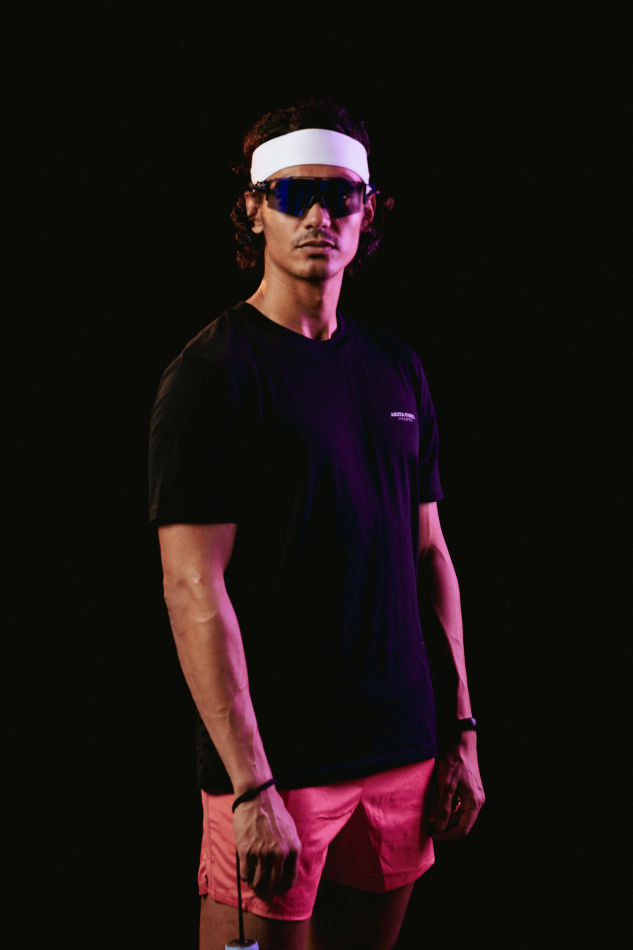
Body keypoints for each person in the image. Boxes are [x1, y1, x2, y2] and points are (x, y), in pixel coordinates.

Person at [148, 99, 485, 950]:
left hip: (403, 747)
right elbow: (193, 587)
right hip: (279, 770)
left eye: (340, 197)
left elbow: (429, 555)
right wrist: (250, 786)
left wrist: (460, 731)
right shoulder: (212, 376)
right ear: (254, 209)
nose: (318, 217)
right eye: (293, 194)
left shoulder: (396, 368)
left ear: (368, 212)